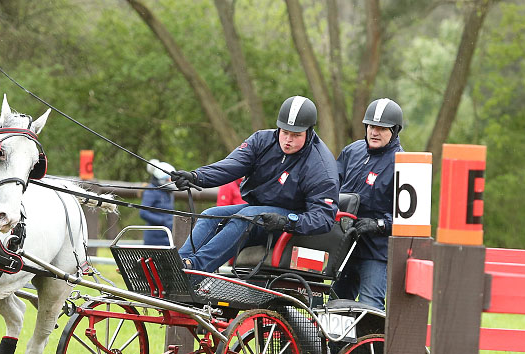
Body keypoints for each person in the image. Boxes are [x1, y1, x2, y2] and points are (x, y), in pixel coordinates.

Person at [171, 96, 339, 275]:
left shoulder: (321, 166)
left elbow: (323, 218)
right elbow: (231, 165)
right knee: (210, 214)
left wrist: (287, 221)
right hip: (258, 212)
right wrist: (197, 176)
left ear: (309, 132)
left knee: (247, 217)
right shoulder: (262, 140)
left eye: (296, 135)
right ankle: (178, 264)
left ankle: (193, 269)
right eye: (284, 132)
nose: (288, 140)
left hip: (290, 224)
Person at [331, 98, 404, 310]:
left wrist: (378, 224)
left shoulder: (403, 164)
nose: (375, 132)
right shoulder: (351, 152)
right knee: (335, 307)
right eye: (372, 126)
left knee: (369, 309)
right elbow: (331, 188)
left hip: (376, 251)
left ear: (395, 131)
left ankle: (372, 345)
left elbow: (407, 217)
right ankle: (338, 345)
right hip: (345, 246)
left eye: (382, 128)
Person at [139, 160, 176, 246]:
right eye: (169, 179)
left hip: (167, 236)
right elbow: (143, 212)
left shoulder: (168, 192)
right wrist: (163, 220)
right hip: (154, 238)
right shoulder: (151, 191)